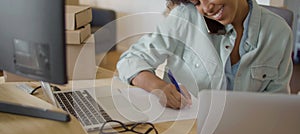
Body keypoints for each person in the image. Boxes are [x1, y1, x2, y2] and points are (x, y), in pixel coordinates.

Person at [116, 0, 293, 109]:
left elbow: (278, 106)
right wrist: (158, 86)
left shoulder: (279, 32)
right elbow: (130, 60)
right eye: (197, 2)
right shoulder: (185, 17)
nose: (206, 8)